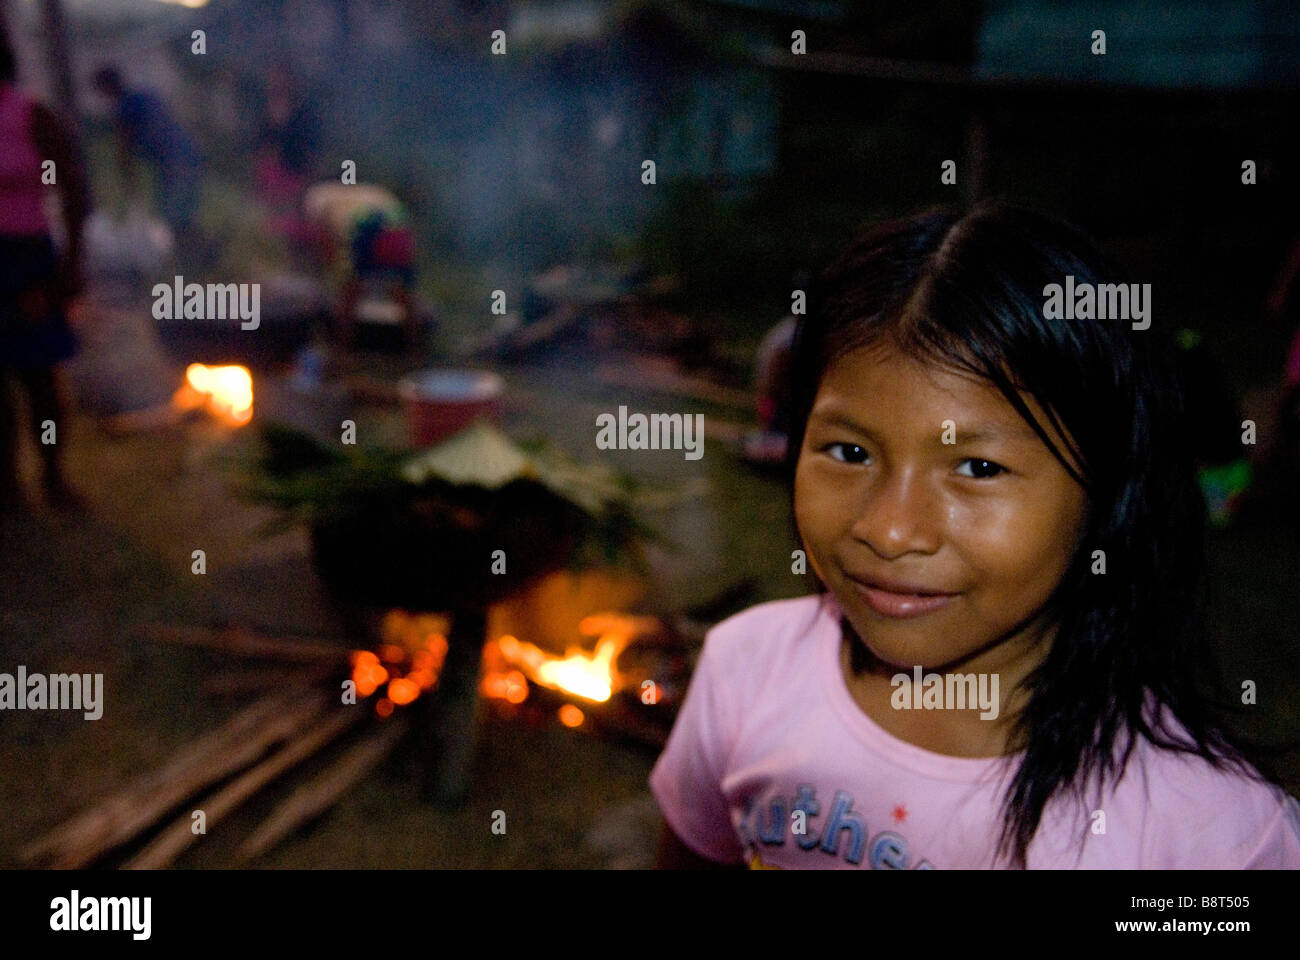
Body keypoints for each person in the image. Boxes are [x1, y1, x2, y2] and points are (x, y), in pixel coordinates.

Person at [650, 201, 1300, 869]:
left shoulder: (1211, 836)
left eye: (978, 468)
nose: (891, 528)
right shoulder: (743, 673)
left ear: (1107, 493)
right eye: (849, 452)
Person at [0, 33, 89, 510]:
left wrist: (71, 266)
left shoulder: (31, 115)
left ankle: (53, 478)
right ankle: (8, 485)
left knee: (38, 376)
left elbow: (72, 191)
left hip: (26, 261)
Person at [90, 65, 203, 253]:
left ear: (105, 87)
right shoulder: (146, 95)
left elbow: (123, 150)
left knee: (175, 214)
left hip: (173, 162)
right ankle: (198, 253)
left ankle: (195, 256)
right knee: (181, 211)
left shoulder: (123, 109)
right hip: (187, 155)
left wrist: (129, 182)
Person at [302, 181, 419, 355]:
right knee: (403, 293)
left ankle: (343, 351)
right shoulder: (371, 190)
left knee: (349, 294)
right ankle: (414, 350)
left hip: (365, 227)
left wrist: (327, 265)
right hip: (397, 226)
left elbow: (323, 236)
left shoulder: (317, 195)